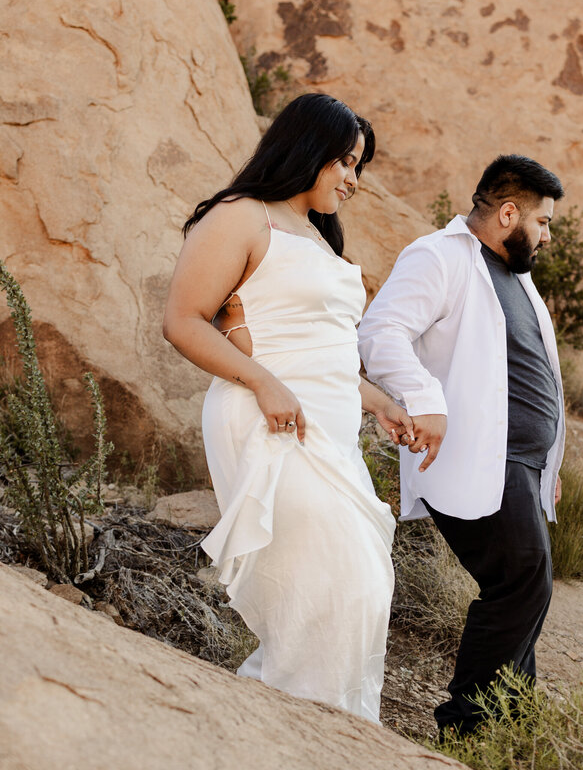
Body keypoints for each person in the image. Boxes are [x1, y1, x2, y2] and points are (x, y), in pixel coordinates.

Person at [162, 93, 414, 723]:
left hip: (330, 433)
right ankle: (287, 728)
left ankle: (331, 731)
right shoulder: (241, 216)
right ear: (308, 149)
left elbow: (322, 352)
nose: (353, 180)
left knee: (363, 585)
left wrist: (378, 399)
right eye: (346, 162)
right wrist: (264, 383)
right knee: (332, 578)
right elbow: (183, 321)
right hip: (265, 419)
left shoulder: (319, 237)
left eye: (358, 166)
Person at [357, 154, 566, 735]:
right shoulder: (438, 256)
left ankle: (510, 718)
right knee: (519, 580)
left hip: (522, 464)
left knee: (529, 585)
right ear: (507, 213)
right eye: (543, 222)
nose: (546, 236)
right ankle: (469, 724)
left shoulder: (513, 275)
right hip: (479, 460)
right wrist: (425, 400)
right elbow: (380, 334)